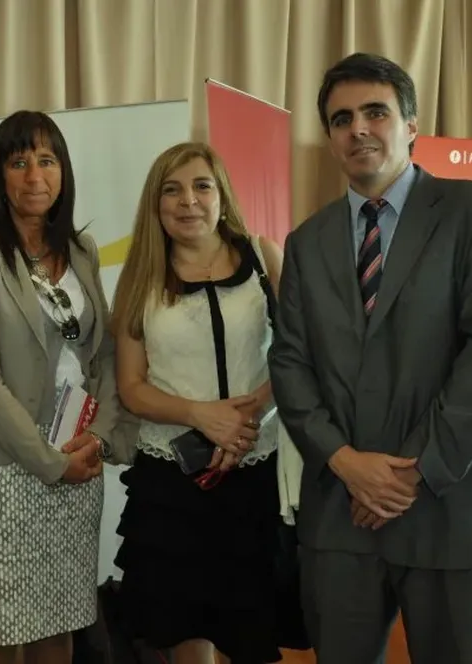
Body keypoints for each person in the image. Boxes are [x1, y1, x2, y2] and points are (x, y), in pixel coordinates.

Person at [268, 52, 472, 664]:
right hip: (341, 521)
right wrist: (344, 461)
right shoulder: (305, 244)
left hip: (452, 511)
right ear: (330, 139)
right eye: (341, 119)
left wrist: (406, 473)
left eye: (375, 112)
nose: (358, 128)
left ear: (411, 125)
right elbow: (289, 363)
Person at [0, 110, 127, 664]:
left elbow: (105, 355)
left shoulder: (82, 250)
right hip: (3, 468)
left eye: (46, 160)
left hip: (77, 464)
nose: (34, 175)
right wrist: (50, 461)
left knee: (61, 624)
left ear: (63, 171)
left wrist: (95, 438)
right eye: (18, 162)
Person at [110, 141, 295, 664]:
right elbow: (132, 386)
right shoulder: (140, 277)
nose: (187, 201)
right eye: (172, 190)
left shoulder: (264, 257)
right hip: (173, 480)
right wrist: (201, 416)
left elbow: (297, 350)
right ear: (156, 203)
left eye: (201, 186)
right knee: (184, 626)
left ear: (221, 195)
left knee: (252, 622)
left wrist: (253, 409)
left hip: (255, 466)